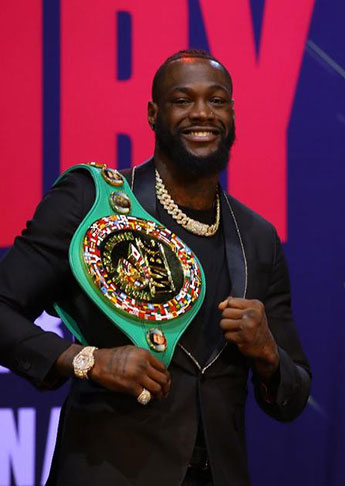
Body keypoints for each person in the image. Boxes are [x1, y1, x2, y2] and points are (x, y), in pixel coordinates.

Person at [0, 49, 311, 486]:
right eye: (183, 100)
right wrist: (88, 360)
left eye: (217, 100)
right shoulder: (92, 204)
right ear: (153, 113)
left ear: (233, 113)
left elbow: (292, 398)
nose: (202, 114)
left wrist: (267, 354)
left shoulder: (256, 238)